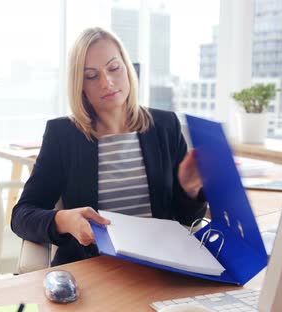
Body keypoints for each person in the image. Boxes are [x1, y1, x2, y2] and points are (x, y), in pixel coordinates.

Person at [11, 27, 207, 266]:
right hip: (94, 267)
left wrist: (190, 190)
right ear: (79, 85)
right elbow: (22, 215)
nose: (107, 82)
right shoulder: (63, 135)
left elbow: (188, 219)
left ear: (127, 68)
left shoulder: (165, 126)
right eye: (92, 76)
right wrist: (64, 220)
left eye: (114, 68)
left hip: (160, 267)